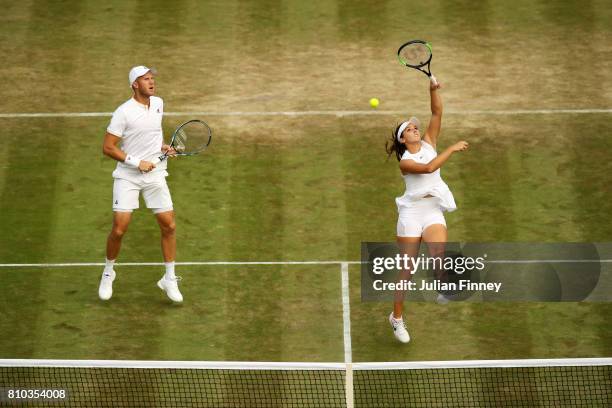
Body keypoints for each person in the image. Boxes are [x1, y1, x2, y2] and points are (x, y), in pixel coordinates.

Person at [385, 78, 468, 343]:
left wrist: (432, 90)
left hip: (433, 209)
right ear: (402, 139)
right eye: (409, 129)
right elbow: (430, 168)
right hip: (411, 214)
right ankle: (396, 319)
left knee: (438, 255)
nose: (415, 129)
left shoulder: (430, 141)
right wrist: (452, 149)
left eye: (414, 127)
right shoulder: (406, 162)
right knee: (406, 270)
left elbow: (436, 112)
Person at [98, 66, 183, 303]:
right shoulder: (122, 113)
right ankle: (108, 272)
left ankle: (169, 278)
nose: (151, 82)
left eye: (152, 78)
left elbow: (153, 135)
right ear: (135, 84)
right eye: (146, 79)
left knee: (169, 225)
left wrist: (163, 147)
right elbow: (108, 147)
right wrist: (137, 162)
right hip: (128, 176)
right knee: (119, 228)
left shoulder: (158, 103)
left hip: (155, 173)